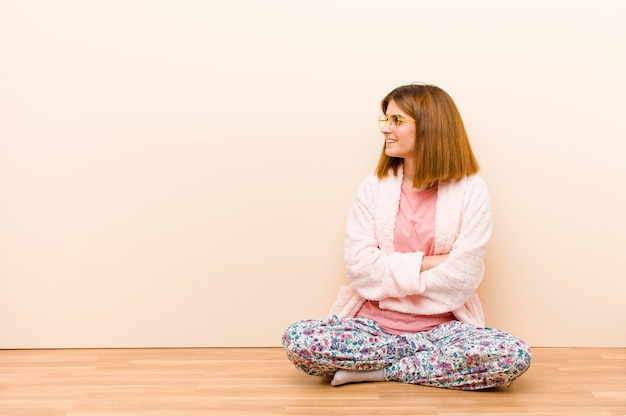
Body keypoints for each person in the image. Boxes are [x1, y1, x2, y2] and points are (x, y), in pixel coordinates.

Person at [282, 83, 531, 390]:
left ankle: (379, 372)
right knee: (298, 339)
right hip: (371, 328)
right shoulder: (373, 188)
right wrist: (430, 263)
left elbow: (463, 276)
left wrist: (392, 269)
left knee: (513, 355)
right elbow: (361, 268)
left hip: (443, 331)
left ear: (430, 127)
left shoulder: (471, 191)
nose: (386, 128)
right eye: (385, 119)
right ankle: (425, 363)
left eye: (397, 121)